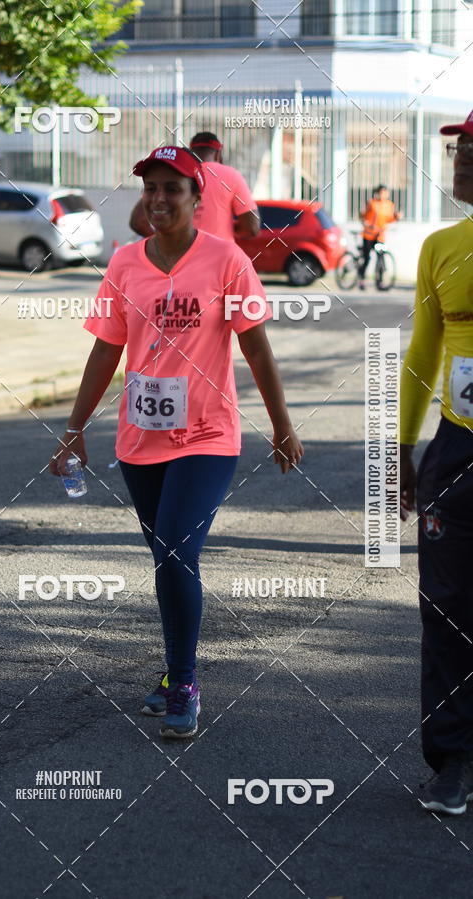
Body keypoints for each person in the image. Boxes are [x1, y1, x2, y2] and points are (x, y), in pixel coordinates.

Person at [50, 145, 303, 739]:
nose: (160, 199)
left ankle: (184, 682)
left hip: (209, 435)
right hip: (139, 440)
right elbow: (106, 350)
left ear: (197, 197)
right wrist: (74, 428)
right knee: (166, 560)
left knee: (175, 552)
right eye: (151, 189)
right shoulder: (125, 264)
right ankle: (173, 672)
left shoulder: (228, 261)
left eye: (173, 189)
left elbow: (256, 347)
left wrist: (282, 423)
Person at [400, 110, 473, 814]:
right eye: (457, 145)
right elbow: (423, 350)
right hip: (456, 447)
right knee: (446, 609)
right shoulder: (442, 245)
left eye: (472, 147)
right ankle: (453, 757)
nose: (460, 156)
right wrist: (402, 443)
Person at [129, 131, 260, 242]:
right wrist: (229, 229)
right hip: (219, 259)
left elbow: (138, 222)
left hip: (178, 260)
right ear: (218, 153)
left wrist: (167, 244)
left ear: (191, 151)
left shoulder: (180, 173)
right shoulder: (232, 176)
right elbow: (252, 227)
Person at [358, 184, 401, 289]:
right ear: (377, 193)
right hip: (369, 235)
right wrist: (366, 223)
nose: (383, 195)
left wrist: (396, 217)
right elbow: (362, 216)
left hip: (380, 236)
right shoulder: (372, 203)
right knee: (366, 258)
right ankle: (361, 279)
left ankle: (379, 281)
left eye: (385, 193)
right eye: (381, 192)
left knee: (381, 257)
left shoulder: (390, 205)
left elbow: (389, 219)